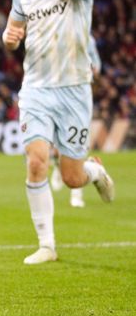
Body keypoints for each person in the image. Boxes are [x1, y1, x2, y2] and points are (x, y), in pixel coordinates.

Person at [2, 0, 114, 265]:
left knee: (71, 177)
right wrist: (10, 40)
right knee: (36, 162)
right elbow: (13, 31)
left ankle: (94, 172)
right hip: (36, 89)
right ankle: (47, 245)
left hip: (74, 91)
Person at [49, 34, 103, 208]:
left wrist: (91, 71)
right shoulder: (54, 34)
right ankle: (58, 166)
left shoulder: (88, 39)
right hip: (55, 93)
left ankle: (76, 196)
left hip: (78, 96)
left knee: (77, 146)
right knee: (58, 146)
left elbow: (96, 65)